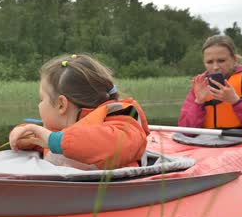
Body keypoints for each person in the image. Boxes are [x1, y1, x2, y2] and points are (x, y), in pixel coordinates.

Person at [9, 54, 149, 170]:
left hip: (116, 197)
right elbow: (44, 135)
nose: (38, 105)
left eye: (41, 99)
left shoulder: (123, 124)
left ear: (61, 105)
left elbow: (110, 145)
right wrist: (24, 136)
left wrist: (54, 140)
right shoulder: (57, 128)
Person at [178, 35, 242, 132]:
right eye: (209, 62)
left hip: (241, 143)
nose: (215, 67)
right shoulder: (199, 87)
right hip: (206, 143)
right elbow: (186, 132)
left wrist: (236, 102)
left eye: (221, 61)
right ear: (204, 63)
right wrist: (198, 103)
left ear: (234, 59)